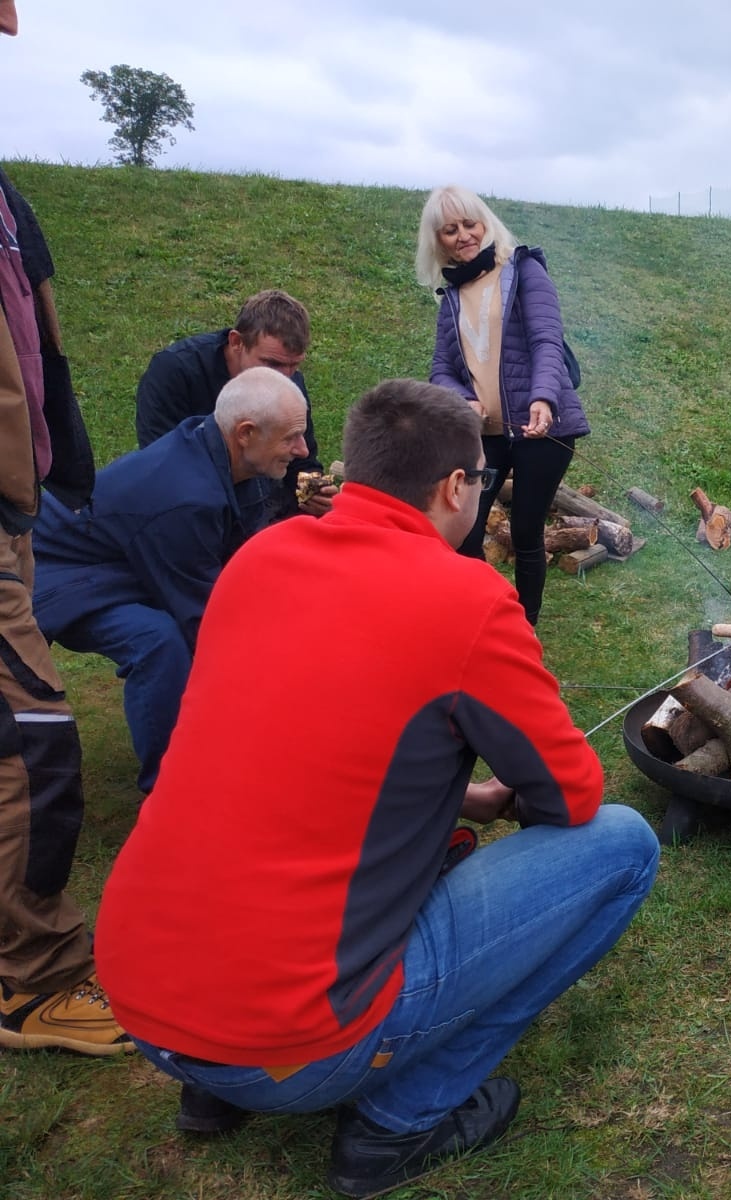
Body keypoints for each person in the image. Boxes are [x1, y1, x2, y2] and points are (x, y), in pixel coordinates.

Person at [94, 378, 658, 1198]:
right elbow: (572, 796)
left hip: (141, 998)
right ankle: (399, 1123)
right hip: (293, 1044)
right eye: (481, 478)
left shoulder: (259, 557)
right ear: (454, 487)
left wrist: (448, 797)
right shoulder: (469, 600)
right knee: (623, 845)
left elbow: (277, 739)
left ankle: (211, 1089)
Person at [0, 0, 128, 1058]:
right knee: (37, 747)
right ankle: (32, 986)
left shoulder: (7, 199)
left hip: (26, 509)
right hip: (15, 531)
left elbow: (39, 353)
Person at [32, 368, 303, 793]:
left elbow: (244, 566)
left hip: (124, 559)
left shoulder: (232, 460)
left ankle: (222, 746)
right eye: (291, 437)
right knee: (159, 640)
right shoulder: (187, 499)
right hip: (57, 572)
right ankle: (173, 788)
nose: (302, 449)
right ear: (246, 433)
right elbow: (206, 621)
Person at [416, 184, 590, 629]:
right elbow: (441, 368)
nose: (463, 236)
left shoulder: (524, 269)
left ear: (486, 222)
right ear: (437, 240)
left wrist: (542, 397)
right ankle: (478, 618)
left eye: (470, 224)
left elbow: (546, 341)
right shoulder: (450, 296)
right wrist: (462, 399)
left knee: (527, 531)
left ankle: (523, 629)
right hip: (486, 433)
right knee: (466, 533)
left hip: (543, 427)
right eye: (450, 230)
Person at [135, 288, 330, 519]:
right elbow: (162, 462)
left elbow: (302, 459)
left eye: (294, 365)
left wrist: (314, 493)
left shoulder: (288, 379)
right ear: (237, 342)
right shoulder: (175, 371)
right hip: (193, 504)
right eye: (272, 364)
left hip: (268, 505)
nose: (285, 378)